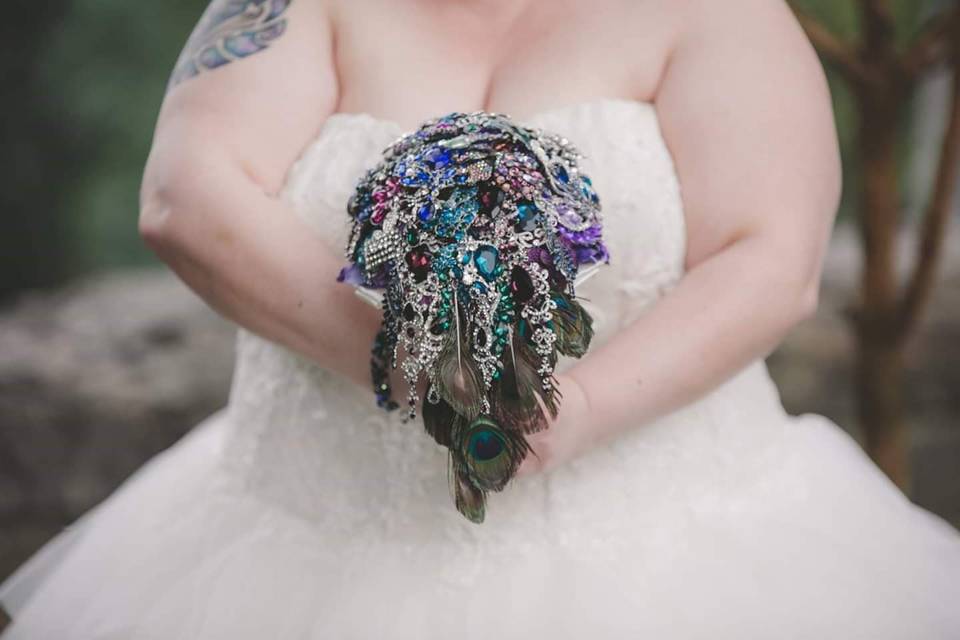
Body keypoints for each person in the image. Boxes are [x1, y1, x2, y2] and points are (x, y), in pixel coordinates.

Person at [2, 0, 959, 637]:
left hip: (674, 552)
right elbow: (186, 197)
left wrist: (562, 416)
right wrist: (417, 367)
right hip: (292, 540)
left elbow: (769, 257)